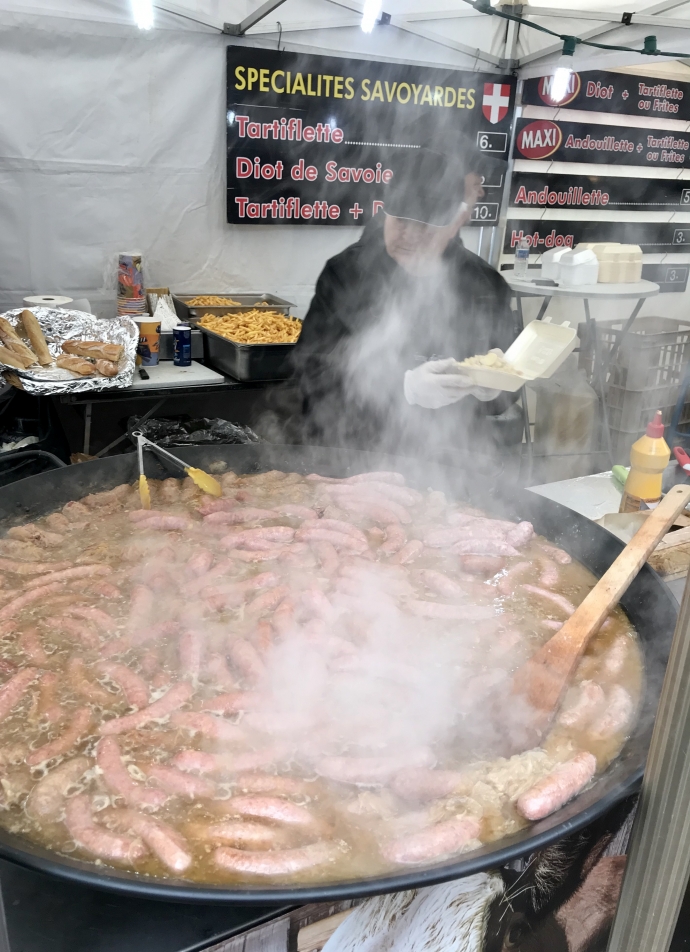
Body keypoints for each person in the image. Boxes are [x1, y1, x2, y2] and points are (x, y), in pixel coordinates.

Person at [276, 144, 522, 460]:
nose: (410, 235)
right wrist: (404, 387)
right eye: (401, 220)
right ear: (385, 213)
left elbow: (514, 378)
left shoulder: (486, 287)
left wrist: (497, 388)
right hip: (355, 456)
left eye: (425, 225)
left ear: (452, 224)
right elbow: (312, 372)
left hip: (451, 461)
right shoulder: (345, 276)